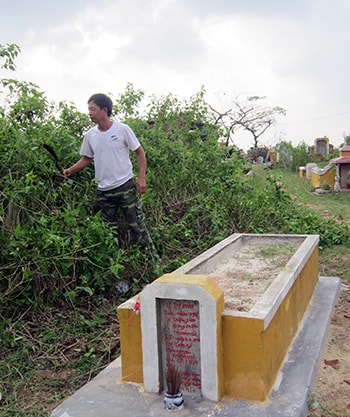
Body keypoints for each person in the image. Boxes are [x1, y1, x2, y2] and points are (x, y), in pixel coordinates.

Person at [63, 93, 153, 250]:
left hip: (125, 186)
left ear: (104, 110)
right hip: (104, 191)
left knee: (136, 226)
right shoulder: (91, 135)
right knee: (107, 231)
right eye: (89, 109)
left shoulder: (122, 129)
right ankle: (112, 264)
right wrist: (70, 170)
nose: (89, 113)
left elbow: (140, 152)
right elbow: (87, 158)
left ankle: (152, 260)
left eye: (93, 109)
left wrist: (142, 178)